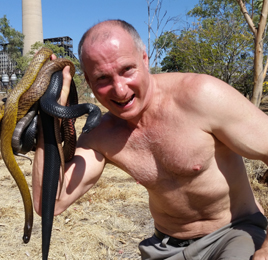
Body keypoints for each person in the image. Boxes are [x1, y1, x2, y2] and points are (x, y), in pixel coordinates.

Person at [32, 19, 268, 259]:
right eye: (102, 78)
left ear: (144, 59)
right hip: (164, 246)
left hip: (233, 233)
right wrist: (48, 118)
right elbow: (50, 204)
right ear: (88, 81)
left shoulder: (201, 96)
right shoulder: (101, 135)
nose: (120, 90)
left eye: (127, 70)